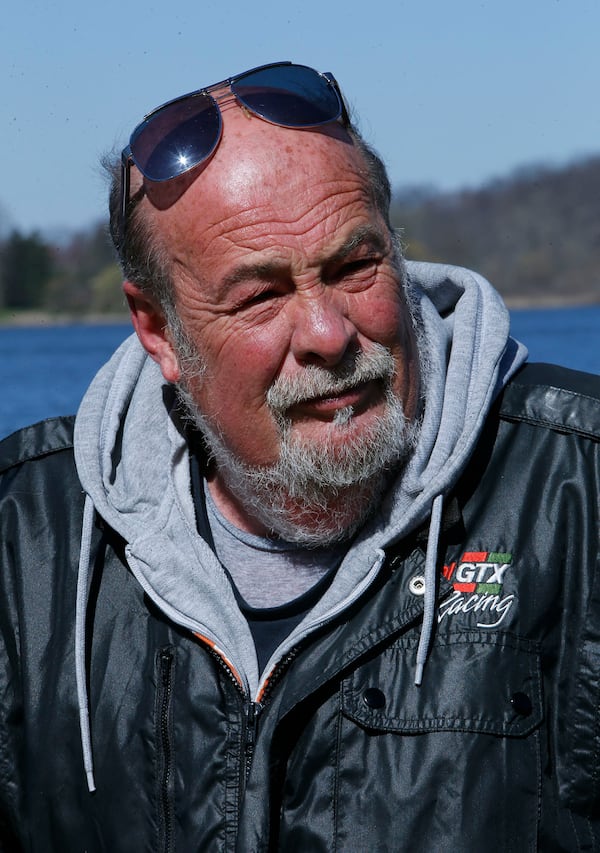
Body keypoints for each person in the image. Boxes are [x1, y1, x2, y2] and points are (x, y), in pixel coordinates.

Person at [0, 61, 599, 852]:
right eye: (259, 296)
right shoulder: (26, 543)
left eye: (355, 266)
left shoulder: (577, 486)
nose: (327, 333)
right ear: (158, 330)